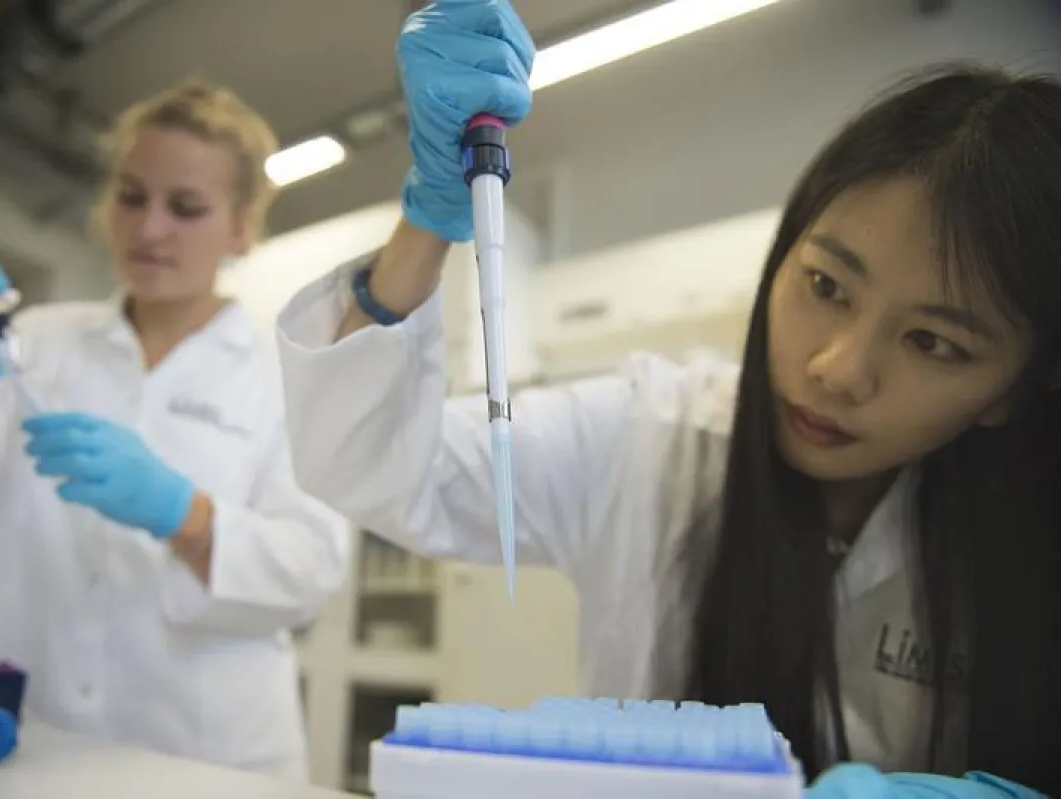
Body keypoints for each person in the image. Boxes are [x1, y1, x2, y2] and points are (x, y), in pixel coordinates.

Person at [272, 2, 1059, 796]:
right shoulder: (651, 436)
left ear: (1017, 387)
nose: (838, 366)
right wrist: (432, 215)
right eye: (825, 285)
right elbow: (374, 467)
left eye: (934, 342)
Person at [0, 78, 350, 779]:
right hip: (28, 738)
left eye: (185, 207)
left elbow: (312, 569)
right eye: (131, 196)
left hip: (209, 759)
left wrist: (184, 513)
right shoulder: (30, 340)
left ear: (242, 224)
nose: (150, 228)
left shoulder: (287, 376)